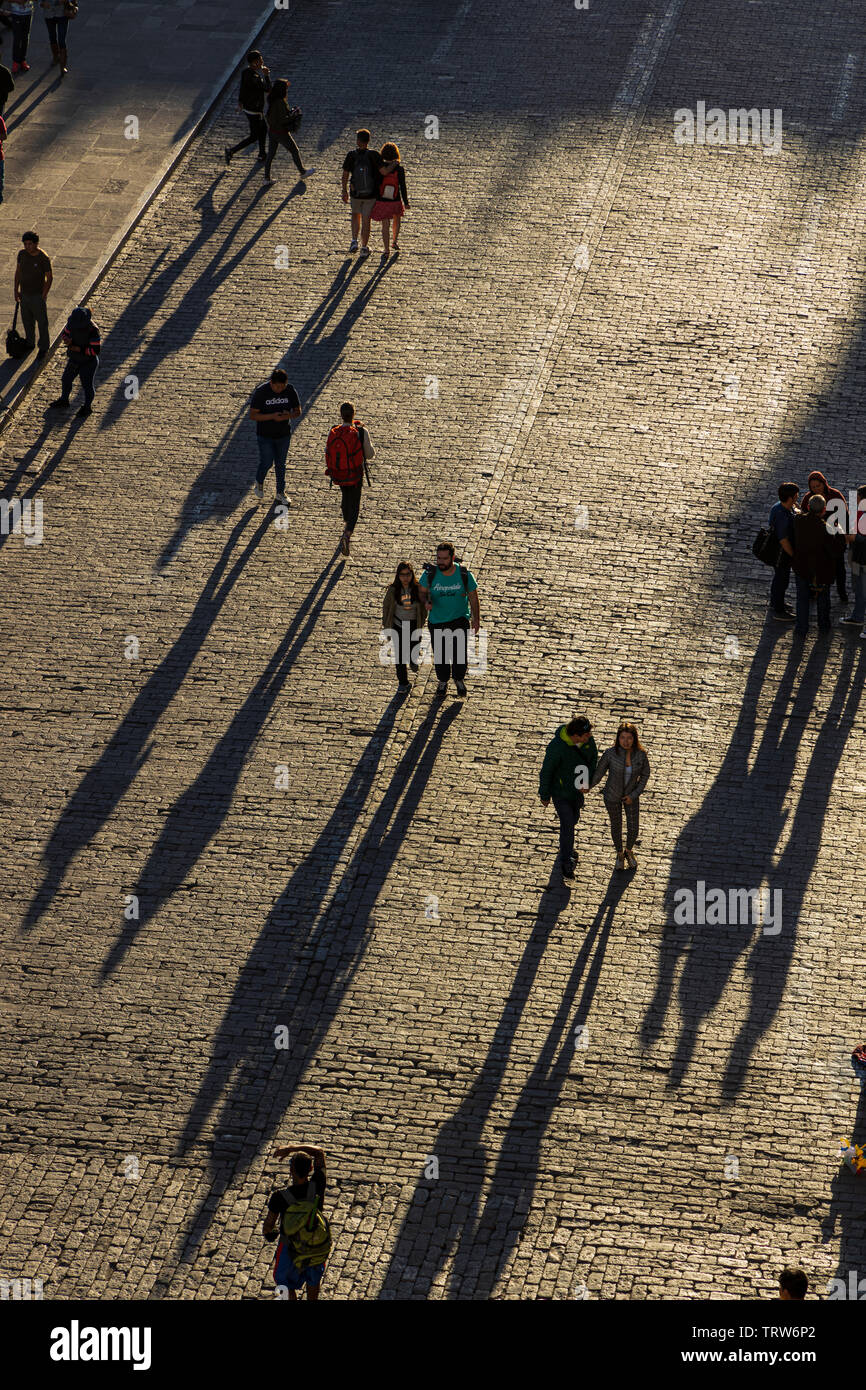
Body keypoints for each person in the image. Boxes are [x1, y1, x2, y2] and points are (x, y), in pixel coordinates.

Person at [263, 1144, 329, 1301]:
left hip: (289, 1247)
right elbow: (319, 1152)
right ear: (311, 1168)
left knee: (283, 1284)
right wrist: (291, 1148)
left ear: (291, 1171)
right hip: (314, 1244)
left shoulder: (279, 1197)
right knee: (313, 1279)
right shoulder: (318, 1183)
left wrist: (269, 1233)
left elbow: (269, 1225)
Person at [539, 716, 599, 885]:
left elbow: (593, 760)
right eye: (586, 735)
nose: (590, 737)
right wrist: (544, 794)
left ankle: (567, 848)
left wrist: (588, 781)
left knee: (573, 820)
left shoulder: (588, 742)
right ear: (576, 735)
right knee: (567, 824)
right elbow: (546, 771)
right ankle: (566, 863)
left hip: (577, 793)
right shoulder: (557, 747)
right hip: (560, 792)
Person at [419, 542, 480, 699]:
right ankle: (443, 681)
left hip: (459, 620)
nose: (441, 562)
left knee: (459, 654)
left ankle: (459, 679)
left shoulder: (464, 574)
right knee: (441, 655)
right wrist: (425, 602)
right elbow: (421, 592)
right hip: (437, 621)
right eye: (439, 558)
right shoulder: (429, 575)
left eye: (445, 559)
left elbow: (473, 596)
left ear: (452, 558)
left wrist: (476, 618)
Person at [589, 722, 651, 871]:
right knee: (616, 826)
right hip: (612, 796)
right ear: (618, 738)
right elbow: (599, 774)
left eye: (629, 738)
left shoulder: (641, 755)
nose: (626, 741)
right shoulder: (610, 754)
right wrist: (587, 787)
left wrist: (634, 795)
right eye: (622, 737)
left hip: (631, 796)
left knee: (633, 827)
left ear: (634, 739)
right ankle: (619, 854)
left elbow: (645, 775)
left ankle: (629, 851)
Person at [791, 493, 846, 636]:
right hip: (821, 570)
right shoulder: (826, 529)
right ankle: (823, 626)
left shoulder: (798, 520)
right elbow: (837, 550)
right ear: (823, 510)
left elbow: (798, 515)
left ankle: (801, 628)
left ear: (808, 507)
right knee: (823, 600)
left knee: (802, 599)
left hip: (802, 567)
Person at [324, 401, 374, 556]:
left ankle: (346, 522)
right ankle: (347, 533)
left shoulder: (333, 431)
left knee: (345, 497)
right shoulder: (360, 431)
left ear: (341, 414)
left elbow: (328, 451)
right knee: (355, 505)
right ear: (354, 414)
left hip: (339, 473)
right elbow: (370, 454)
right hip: (355, 473)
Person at [249, 367, 300, 506]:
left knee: (280, 464)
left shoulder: (290, 390)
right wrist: (272, 416)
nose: (280, 390)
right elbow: (253, 415)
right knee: (266, 462)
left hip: (283, 435)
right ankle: (259, 480)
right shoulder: (261, 392)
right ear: (271, 383)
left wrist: (287, 415)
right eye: (278, 387)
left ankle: (280, 492)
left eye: (282, 386)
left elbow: (297, 411)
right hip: (265, 435)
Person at [341, 129, 396, 257]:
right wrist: (394, 164)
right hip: (370, 194)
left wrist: (344, 190)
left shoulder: (351, 155)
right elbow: (384, 172)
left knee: (355, 215)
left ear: (358, 141)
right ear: (368, 141)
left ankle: (354, 241)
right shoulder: (374, 155)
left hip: (355, 193)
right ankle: (364, 247)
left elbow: (345, 175)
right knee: (366, 220)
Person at [800, 469, 849, 602]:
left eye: (818, 486)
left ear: (824, 483)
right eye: (813, 487)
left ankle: (842, 592)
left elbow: (845, 517)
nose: (816, 489)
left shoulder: (835, 495)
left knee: (839, 568)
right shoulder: (808, 499)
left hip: (834, 539)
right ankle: (813, 591)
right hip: (817, 542)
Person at [49, 305, 100, 416]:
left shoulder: (93, 330)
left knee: (87, 385)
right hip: (74, 359)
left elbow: (95, 350)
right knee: (66, 379)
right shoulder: (71, 323)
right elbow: (65, 333)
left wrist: (80, 349)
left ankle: (87, 407)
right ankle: (64, 400)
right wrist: (66, 339)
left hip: (88, 362)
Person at [382, 562, 426, 691]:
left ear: (412, 575)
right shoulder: (393, 590)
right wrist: (386, 625)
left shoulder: (418, 589)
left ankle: (413, 659)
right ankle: (403, 683)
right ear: (398, 576)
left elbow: (423, 608)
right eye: (402, 575)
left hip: (413, 625)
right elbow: (386, 607)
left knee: (414, 647)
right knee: (399, 656)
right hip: (398, 625)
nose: (405, 578)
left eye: (408, 574)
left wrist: (422, 620)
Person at [225, 49, 270, 166]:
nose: (262, 62)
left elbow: (242, 88)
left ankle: (262, 153)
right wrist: (266, 76)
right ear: (254, 62)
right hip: (255, 110)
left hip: (249, 108)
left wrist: (240, 101)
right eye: (260, 60)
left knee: (263, 129)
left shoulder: (245, 72)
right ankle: (232, 151)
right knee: (254, 136)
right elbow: (267, 89)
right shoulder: (255, 78)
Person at [263, 79, 308, 186]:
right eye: (286, 88)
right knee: (294, 150)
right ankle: (302, 172)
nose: (287, 90)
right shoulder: (280, 102)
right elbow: (283, 119)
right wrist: (294, 116)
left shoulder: (273, 99)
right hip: (281, 132)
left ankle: (266, 177)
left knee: (271, 154)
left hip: (272, 131)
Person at [14, 230, 52, 357]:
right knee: (27, 320)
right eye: (25, 244)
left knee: (42, 322)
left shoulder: (43, 258)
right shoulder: (22, 255)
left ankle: (44, 346)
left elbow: (49, 277)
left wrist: (44, 294)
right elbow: (18, 272)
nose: (27, 247)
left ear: (36, 244)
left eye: (30, 244)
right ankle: (30, 342)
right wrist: (16, 290)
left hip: (37, 295)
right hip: (24, 294)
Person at [370, 141, 409, 259]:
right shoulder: (399, 169)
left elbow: (375, 184)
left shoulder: (380, 168)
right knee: (397, 219)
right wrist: (406, 202)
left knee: (385, 225)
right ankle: (395, 241)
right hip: (395, 200)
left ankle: (386, 250)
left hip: (382, 200)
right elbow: (402, 186)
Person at [767, 481, 798, 620]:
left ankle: (776, 602)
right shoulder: (783, 516)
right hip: (781, 554)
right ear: (790, 498)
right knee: (782, 579)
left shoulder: (778, 507)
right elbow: (783, 540)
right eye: (796, 496)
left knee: (779, 578)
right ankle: (778, 610)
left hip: (775, 551)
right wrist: (793, 555)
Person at [841, 483, 866, 631]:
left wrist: (851, 537)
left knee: (861, 588)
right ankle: (857, 615)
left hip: (862, 557)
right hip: (858, 555)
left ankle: (858, 617)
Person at [40, 0, 72, 74]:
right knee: (52, 37)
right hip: (49, 13)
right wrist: (42, 3)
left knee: (61, 40)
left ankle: (63, 65)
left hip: (62, 13)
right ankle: (55, 57)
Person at [3, 0, 33, 73]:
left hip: (28, 13)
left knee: (25, 38)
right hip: (16, 14)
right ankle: (16, 62)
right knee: (17, 38)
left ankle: (22, 60)